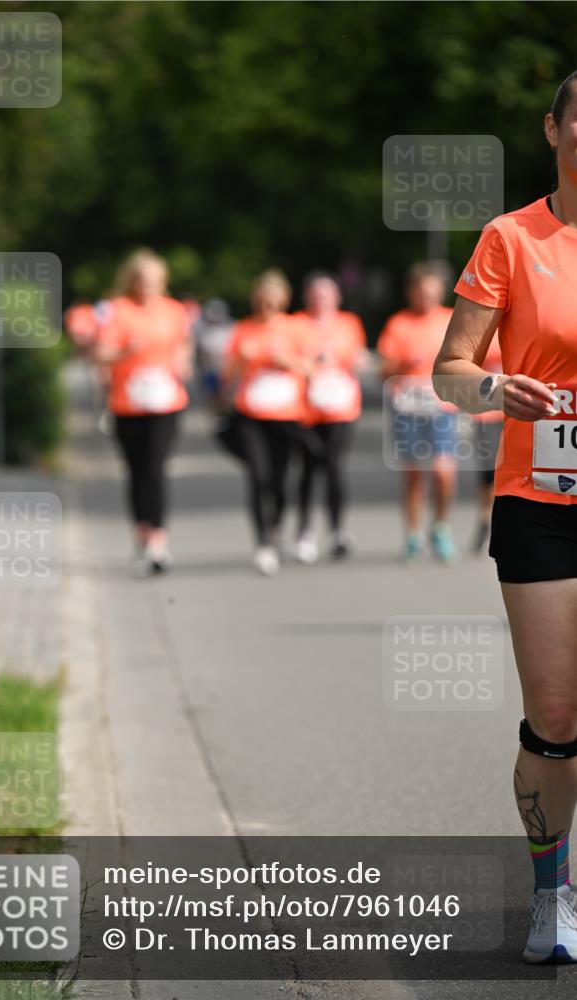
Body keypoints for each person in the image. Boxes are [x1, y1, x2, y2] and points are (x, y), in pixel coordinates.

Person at [432, 71, 577, 963]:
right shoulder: (511, 238)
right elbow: (447, 369)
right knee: (556, 717)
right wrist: (492, 389)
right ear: (554, 129)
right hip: (542, 502)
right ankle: (550, 896)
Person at [91, 249, 191, 575]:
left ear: (163, 282)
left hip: (165, 400)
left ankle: (158, 541)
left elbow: (183, 345)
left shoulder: (174, 311)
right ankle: (142, 533)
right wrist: (124, 352)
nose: (148, 286)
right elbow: (100, 354)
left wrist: (182, 363)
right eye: (142, 280)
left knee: (156, 468)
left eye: (154, 280)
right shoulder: (117, 311)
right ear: (132, 281)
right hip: (128, 403)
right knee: (136, 471)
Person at [224, 269, 308, 576]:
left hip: (287, 416)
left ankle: (275, 528)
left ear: (283, 299)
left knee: (280, 480)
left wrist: (288, 362)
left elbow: (313, 368)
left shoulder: (295, 328)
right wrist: (240, 361)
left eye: (273, 299)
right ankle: (262, 542)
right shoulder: (243, 329)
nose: (267, 305)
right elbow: (227, 376)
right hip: (251, 414)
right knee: (258, 476)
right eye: (262, 299)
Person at [377, 261, 458, 563]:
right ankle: (412, 534)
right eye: (421, 291)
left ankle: (440, 527)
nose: (426, 296)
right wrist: (403, 363)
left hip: (441, 405)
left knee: (443, 471)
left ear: (440, 292)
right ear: (411, 292)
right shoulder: (399, 324)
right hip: (408, 404)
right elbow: (383, 370)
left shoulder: (451, 320)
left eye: (431, 291)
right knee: (413, 474)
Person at [292, 272, 368, 563]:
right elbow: (288, 359)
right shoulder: (296, 324)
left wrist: (359, 361)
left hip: (341, 405)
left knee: (334, 465)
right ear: (306, 297)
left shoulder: (349, 323)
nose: (321, 299)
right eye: (315, 294)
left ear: (337, 297)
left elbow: (357, 356)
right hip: (306, 407)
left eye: (326, 294)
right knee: (309, 466)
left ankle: (337, 530)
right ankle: (304, 530)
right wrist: (310, 363)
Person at [470, 332, 504, 553]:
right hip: (488, 412)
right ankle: (485, 518)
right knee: (490, 471)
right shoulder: (486, 329)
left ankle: (495, 520)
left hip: (522, 410)